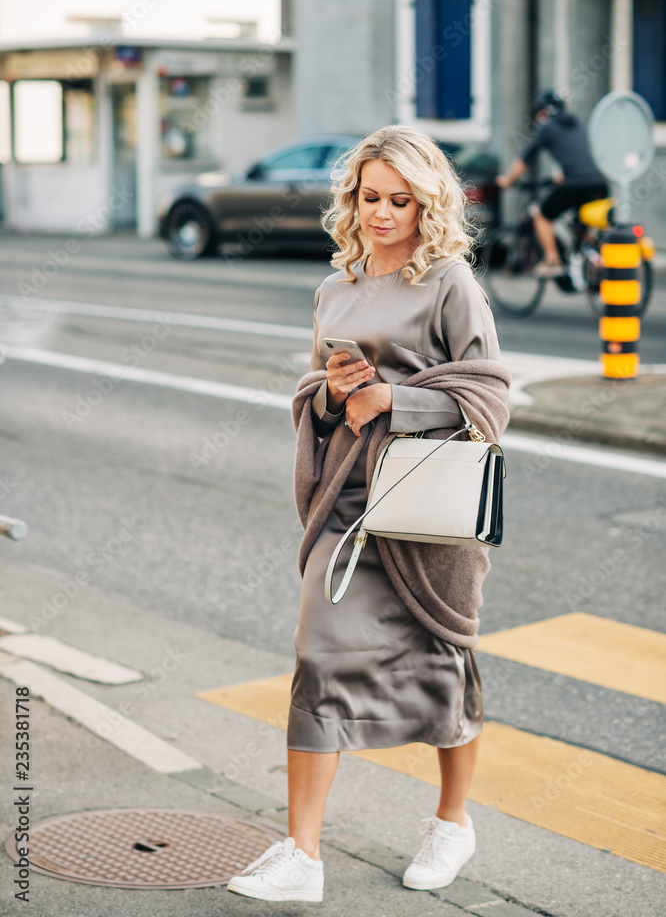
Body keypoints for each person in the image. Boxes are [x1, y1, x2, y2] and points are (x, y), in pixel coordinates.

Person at [227, 125, 511, 904]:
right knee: (317, 655)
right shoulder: (336, 286)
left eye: (400, 200)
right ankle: (301, 854)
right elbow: (311, 392)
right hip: (351, 501)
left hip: (432, 506)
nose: (381, 213)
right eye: (368, 196)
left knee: (441, 659)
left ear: (429, 203)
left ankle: (453, 822)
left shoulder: (451, 282)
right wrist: (332, 391)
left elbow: (490, 397)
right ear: (350, 198)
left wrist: (398, 398)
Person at [496, 89, 609, 277]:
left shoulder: (548, 127)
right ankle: (596, 261)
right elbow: (576, 156)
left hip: (576, 185)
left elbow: (524, 161)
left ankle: (552, 260)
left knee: (541, 215)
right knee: (580, 227)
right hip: (598, 184)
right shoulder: (578, 124)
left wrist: (507, 180)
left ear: (544, 112)